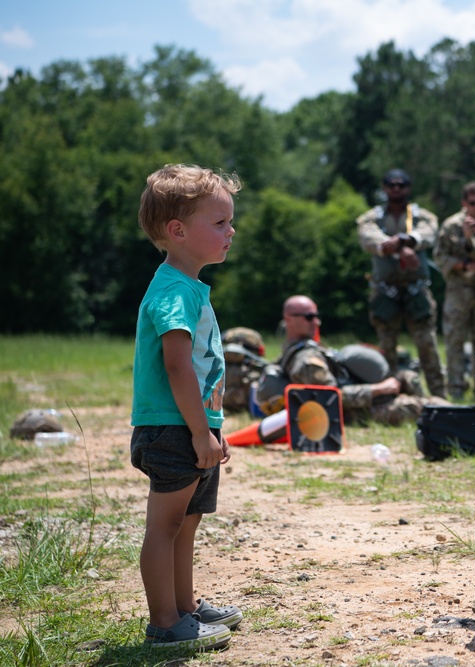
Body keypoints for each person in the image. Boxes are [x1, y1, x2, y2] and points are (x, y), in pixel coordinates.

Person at [130, 164, 243, 651]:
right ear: (178, 231)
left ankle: (184, 608)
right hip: (174, 429)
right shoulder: (174, 291)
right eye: (219, 223)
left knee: (187, 524)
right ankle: (163, 623)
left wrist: (211, 430)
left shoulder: (190, 286)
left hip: (194, 427)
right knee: (166, 525)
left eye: (229, 221)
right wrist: (200, 433)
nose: (230, 231)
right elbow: (178, 367)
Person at [276, 295, 449, 425]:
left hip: (364, 401)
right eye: (309, 317)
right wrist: (377, 389)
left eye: (316, 315)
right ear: (289, 319)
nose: (316, 321)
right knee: (427, 408)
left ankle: (467, 415)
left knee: (413, 383)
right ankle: (468, 418)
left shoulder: (307, 349)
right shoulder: (307, 359)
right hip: (358, 411)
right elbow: (331, 397)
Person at [357, 168, 446, 397]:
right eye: (392, 185)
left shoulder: (421, 215)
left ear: (408, 188)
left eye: (401, 185)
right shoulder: (372, 217)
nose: (396, 189)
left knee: (427, 345)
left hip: (417, 289)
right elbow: (368, 237)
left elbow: (428, 233)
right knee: (387, 349)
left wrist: (407, 240)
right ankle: (390, 394)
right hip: (384, 291)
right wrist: (400, 247)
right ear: (385, 188)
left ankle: (439, 395)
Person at [433, 182, 475, 400]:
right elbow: (439, 255)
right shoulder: (451, 225)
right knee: (454, 339)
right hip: (457, 290)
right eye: (472, 203)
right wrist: (463, 265)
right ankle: (456, 389)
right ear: (464, 203)